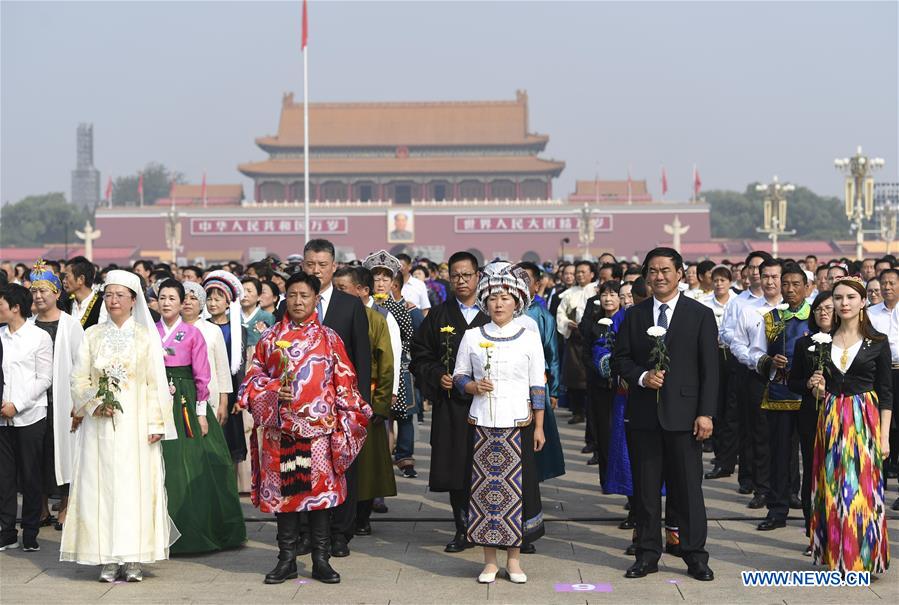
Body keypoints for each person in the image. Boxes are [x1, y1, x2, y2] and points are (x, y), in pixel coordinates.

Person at [237, 271, 370, 584]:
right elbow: (251, 382)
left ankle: (321, 559)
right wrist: (272, 390)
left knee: (319, 498)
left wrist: (348, 420)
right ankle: (286, 559)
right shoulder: (270, 339)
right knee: (286, 497)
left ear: (315, 299)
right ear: (285, 298)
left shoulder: (330, 338)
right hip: (280, 433)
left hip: (320, 433)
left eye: (305, 296)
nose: (298, 301)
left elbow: (346, 382)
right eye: (293, 295)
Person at [61, 270, 178, 582]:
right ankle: (107, 557)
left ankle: (133, 556)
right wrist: (94, 403)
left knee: (133, 488)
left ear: (133, 300)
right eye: (109, 294)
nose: (113, 300)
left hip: (135, 426)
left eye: (120, 295)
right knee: (100, 488)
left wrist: (156, 423)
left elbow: (154, 384)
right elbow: (78, 377)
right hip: (99, 427)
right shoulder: (92, 335)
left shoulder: (145, 337)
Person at [612, 247, 717, 582]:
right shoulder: (635, 315)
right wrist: (642, 377)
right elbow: (620, 359)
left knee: (688, 491)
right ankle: (646, 554)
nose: (659, 276)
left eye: (665, 270)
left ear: (680, 273)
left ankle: (695, 555)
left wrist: (706, 413)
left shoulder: (700, 314)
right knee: (645, 492)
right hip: (644, 417)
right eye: (653, 271)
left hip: (685, 417)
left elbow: (710, 370)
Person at [452, 262, 546, 584]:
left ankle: (514, 561)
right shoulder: (472, 336)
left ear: (517, 301)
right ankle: (489, 562)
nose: (498, 304)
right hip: (482, 425)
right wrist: (472, 386)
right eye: (493, 298)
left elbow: (537, 384)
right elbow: (459, 375)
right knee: (484, 494)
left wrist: (539, 426)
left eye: (505, 298)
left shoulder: (529, 336)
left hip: (517, 424)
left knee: (517, 493)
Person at [802, 277, 892, 574]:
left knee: (861, 489)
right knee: (831, 486)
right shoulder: (821, 342)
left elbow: (886, 394)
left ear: (863, 301)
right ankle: (836, 556)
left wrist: (884, 437)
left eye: (851, 297)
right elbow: (819, 389)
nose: (844, 303)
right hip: (830, 419)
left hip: (865, 419)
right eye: (838, 298)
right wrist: (816, 387)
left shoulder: (878, 342)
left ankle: (862, 558)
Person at [155, 279, 246, 555]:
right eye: (163, 298)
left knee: (197, 463)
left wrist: (206, 408)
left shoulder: (199, 332)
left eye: (174, 298)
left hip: (189, 400)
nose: (169, 303)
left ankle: (200, 527)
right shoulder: (150, 331)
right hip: (158, 399)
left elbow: (208, 372)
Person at [410, 251, 488, 553]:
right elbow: (420, 356)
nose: (461, 280)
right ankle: (463, 528)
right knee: (457, 468)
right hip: (452, 405)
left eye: (467, 275)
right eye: (455, 275)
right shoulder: (439, 316)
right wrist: (436, 375)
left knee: (490, 465)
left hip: (489, 405)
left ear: (478, 276)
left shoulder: (493, 311)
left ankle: (496, 527)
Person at [331, 266, 396, 537]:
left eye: (343, 289)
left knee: (368, 463)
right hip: (334, 401)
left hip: (365, 401)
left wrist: (379, 404)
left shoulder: (376, 319)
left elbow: (386, 364)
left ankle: (363, 515)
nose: (337, 294)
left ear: (362, 290)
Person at [749, 263, 810, 531]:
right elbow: (755, 352)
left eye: (796, 284)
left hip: (811, 397)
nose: (790, 289)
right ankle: (777, 509)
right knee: (779, 455)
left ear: (807, 287)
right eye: (786, 284)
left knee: (812, 457)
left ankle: (813, 513)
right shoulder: (771, 318)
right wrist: (770, 361)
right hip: (779, 394)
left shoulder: (818, 316)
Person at [28, 261, 84, 532]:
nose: (39, 296)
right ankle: (40, 507)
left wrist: (79, 401)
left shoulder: (71, 325)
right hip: (35, 401)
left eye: (44, 291)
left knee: (65, 451)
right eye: (35, 291)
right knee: (36, 454)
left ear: (57, 293)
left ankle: (65, 506)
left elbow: (81, 366)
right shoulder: (28, 325)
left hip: (63, 400)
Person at [0, 284, 52, 553]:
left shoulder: (38, 337)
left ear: (15, 307)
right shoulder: (0, 336)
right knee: (4, 478)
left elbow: (44, 378)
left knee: (31, 476)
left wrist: (17, 405)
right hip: (2, 419)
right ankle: (7, 531)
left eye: (1, 305)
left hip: (30, 416)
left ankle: (30, 531)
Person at [364, 251, 418, 477]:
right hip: (369, 371)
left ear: (393, 282)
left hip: (395, 367)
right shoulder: (363, 305)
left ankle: (403, 458)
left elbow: (408, 337)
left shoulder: (399, 307)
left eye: (385, 278)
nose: (380, 283)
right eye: (376, 278)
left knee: (400, 416)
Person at [788, 290, 834, 555]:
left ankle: (836, 531)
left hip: (839, 414)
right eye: (818, 309)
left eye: (828, 308)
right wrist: (807, 384)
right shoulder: (803, 344)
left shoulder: (846, 342)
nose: (823, 312)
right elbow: (792, 381)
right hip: (809, 415)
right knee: (813, 473)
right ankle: (813, 532)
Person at [203, 271, 248, 469]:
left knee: (230, 442)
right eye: (209, 299)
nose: (212, 303)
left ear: (228, 303)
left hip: (231, 388)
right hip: (208, 386)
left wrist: (240, 397)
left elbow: (241, 366)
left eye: (217, 299)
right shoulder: (201, 328)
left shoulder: (238, 330)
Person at [867, 268, 899, 510]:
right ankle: (878, 486)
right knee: (880, 430)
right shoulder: (871, 313)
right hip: (880, 374)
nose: (887, 287)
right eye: (884, 283)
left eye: (892, 283)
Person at [63, 256, 107, 329]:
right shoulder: (65, 305)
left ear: (81, 279)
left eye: (67, 277)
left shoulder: (102, 305)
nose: (64, 281)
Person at [240, 276, 276, 353]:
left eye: (249, 291)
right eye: (242, 291)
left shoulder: (268, 317)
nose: (244, 295)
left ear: (259, 296)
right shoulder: (231, 316)